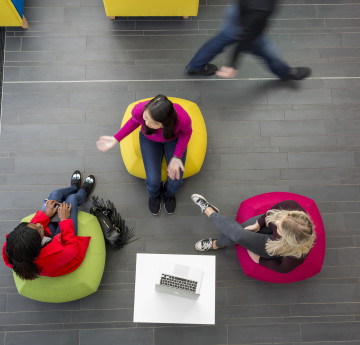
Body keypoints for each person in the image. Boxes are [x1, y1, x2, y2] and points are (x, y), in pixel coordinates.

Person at [97, 95, 192, 216]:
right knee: (153, 181)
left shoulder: (182, 118)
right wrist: (116, 138)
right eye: (146, 118)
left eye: (154, 123)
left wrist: (177, 156)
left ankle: (169, 194)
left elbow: (186, 133)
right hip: (149, 139)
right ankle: (154, 196)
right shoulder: (140, 110)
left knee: (176, 182)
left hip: (173, 140)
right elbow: (134, 122)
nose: (146, 123)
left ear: (165, 123)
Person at [2, 171, 96, 280]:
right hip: (65, 250)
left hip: (49, 243)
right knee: (72, 200)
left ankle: (73, 187)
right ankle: (82, 192)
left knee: (55, 195)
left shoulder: (14, 245)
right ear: (39, 243)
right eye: (39, 228)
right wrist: (64, 220)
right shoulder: (53, 257)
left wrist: (45, 214)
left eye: (34, 225)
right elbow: (72, 249)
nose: (39, 224)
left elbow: (34, 226)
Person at [185, 1, 312, 81]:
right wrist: (232, 65)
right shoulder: (264, 7)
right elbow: (246, 37)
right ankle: (286, 72)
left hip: (236, 10)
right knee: (267, 51)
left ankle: (195, 65)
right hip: (248, 20)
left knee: (223, 37)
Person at [191, 194, 316, 273]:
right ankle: (216, 242)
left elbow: (282, 269)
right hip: (264, 226)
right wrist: (259, 224)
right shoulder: (292, 206)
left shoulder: (294, 255)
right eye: (281, 220)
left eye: (279, 227)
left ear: (288, 239)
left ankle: (209, 212)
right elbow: (273, 212)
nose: (276, 221)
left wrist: (260, 260)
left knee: (238, 235)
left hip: (275, 246)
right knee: (240, 232)